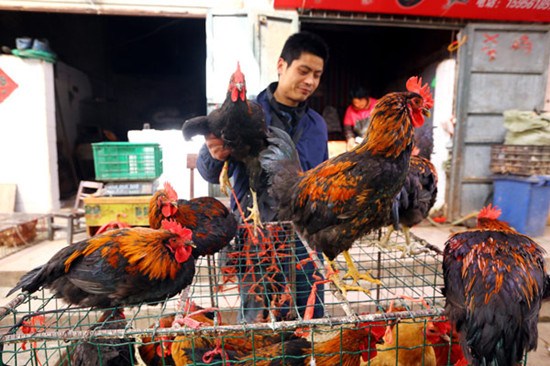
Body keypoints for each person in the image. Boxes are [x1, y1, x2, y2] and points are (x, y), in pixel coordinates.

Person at [196, 31, 329, 323]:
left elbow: (324, 181)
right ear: (281, 65)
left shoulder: (317, 125)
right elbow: (208, 172)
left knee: (306, 321)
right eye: (303, 71)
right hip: (253, 235)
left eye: (317, 75)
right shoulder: (245, 111)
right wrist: (213, 154)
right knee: (255, 328)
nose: (310, 81)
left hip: (303, 240)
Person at [343, 86, 378, 151]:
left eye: (361, 101)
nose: (358, 105)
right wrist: (350, 138)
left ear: (367, 98)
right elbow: (347, 128)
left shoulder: (377, 105)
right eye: (356, 103)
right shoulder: (350, 110)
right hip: (359, 142)